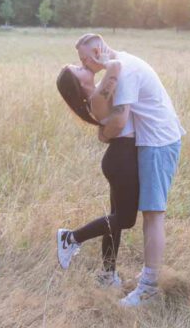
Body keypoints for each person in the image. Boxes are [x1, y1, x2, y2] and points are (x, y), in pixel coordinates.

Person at [74, 33, 185, 307]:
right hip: (154, 140)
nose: (85, 65)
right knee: (147, 214)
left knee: (153, 215)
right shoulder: (122, 66)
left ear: (97, 52)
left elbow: (118, 121)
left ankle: (148, 289)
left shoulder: (124, 71)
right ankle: (147, 277)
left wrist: (103, 134)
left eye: (84, 59)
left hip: (158, 142)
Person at [55, 54, 138, 288]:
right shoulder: (98, 96)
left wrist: (104, 133)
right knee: (125, 219)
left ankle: (108, 275)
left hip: (119, 157)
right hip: (122, 159)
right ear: (79, 83)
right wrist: (101, 59)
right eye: (79, 68)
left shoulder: (96, 96)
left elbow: (106, 132)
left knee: (115, 218)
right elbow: (116, 66)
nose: (83, 65)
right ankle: (71, 238)